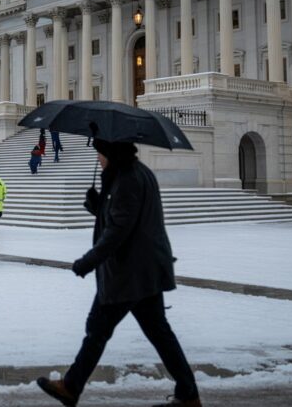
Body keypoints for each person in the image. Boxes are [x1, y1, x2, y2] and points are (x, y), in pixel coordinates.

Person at [37, 139, 201, 407]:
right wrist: (98, 205)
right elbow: (121, 217)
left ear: (112, 153)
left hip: (129, 273)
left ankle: (70, 386)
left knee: (98, 330)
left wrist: (88, 261)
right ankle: (189, 395)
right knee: (160, 334)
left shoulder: (128, 179)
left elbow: (119, 230)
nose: (98, 159)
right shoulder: (134, 173)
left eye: (100, 153)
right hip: (143, 270)